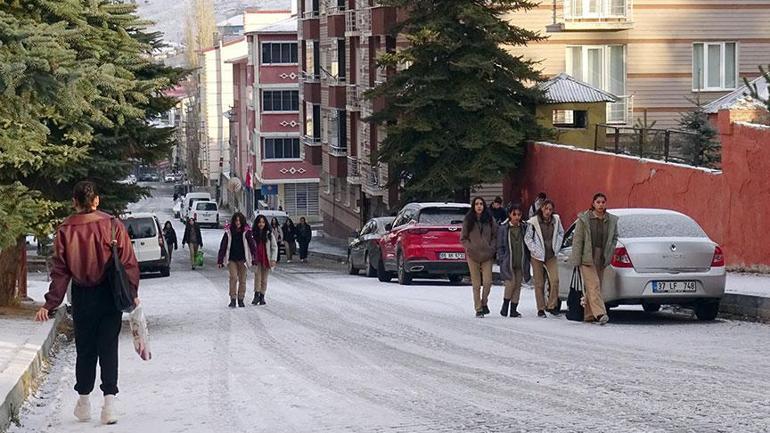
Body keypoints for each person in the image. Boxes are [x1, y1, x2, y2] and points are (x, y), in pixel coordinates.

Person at [35, 181, 140, 425]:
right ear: (97, 201)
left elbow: (60, 271)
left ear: (74, 202)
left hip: (82, 296)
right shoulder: (113, 226)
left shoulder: (64, 230)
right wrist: (132, 292)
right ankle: (109, 405)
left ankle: (83, 402)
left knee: (85, 349)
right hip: (110, 294)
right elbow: (129, 263)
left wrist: (50, 304)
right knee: (108, 347)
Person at [570, 193, 618, 325]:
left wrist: (610, 250)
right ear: (593, 203)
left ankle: (589, 315)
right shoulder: (584, 219)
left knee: (595, 287)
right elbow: (578, 240)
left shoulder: (611, 220)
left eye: (603, 202)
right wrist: (576, 259)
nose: (601, 205)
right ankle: (600, 313)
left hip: (601, 256)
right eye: (598, 202)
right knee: (594, 285)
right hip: (587, 257)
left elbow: (614, 237)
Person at [524, 199, 564, 318]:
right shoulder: (534, 222)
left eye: (550, 209)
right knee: (539, 283)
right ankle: (540, 308)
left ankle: (552, 305)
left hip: (551, 254)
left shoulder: (556, 220)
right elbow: (528, 238)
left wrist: (557, 246)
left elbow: (561, 233)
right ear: (541, 208)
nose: (548, 211)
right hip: (537, 256)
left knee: (555, 280)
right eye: (546, 209)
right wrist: (535, 250)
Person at [461, 197, 497, 318]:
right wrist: (470, 248)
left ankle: (484, 302)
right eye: (476, 204)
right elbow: (463, 238)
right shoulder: (468, 219)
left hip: (487, 255)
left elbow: (495, 235)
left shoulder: (490, 219)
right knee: (476, 285)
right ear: (473, 206)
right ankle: (478, 308)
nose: (479, 206)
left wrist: (492, 248)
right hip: (473, 255)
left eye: (481, 204)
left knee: (487, 282)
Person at [217, 213, 257, 308]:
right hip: (232, 259)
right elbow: (223, 245)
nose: (237, 223)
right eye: (236, 220)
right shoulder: (228, 232)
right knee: (233, 278)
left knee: (242, 279)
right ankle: (233, 298)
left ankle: (241, 298)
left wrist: (254, 258)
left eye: (239, 220)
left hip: (243, 259)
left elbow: (252, 246)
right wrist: (220, 260)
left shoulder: (247, 232)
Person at [496, 204, 529, 318]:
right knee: (510, 284)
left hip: (520, 261)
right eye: (514, 214)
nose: (516, 217)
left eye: (519, 214)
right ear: (509, 215)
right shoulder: (504, 228)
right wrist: (501, 258)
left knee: (518, 285)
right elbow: (500, 246)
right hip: (508, 262)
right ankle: (505, 306)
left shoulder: (524, 228)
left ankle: (514, 308)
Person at [252, 215, 278, 305]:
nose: (261, 224)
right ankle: (256, 295)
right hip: (257, 258)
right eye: (259, 222)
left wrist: (273, 259)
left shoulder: (269, 234)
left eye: (263, 222)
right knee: (257, 277)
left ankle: (262, 296)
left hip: (266, 258)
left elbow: (274, 247)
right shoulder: (253, 233)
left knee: (264, 279)